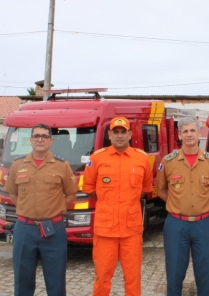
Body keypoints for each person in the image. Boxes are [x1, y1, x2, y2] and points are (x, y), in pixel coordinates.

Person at [155, 116, 209, 296]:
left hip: (204, 224)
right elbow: (161, 189)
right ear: (179, 135)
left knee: (204, 273)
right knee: (174, 273)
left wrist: (208, 202)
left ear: (199, 134)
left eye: (192, 131)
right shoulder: (168, 161)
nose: (189, 135)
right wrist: (176, 202)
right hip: (176, 225)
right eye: (185, 131)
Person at [4, 123, 78, 296]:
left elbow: (71, 195)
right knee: (22, 280)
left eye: (44, 136)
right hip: (24, 229)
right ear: (30, 140)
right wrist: (28, 209)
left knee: (56, 281)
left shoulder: (62, 165)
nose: (40, 139)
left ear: (51, 140)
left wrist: (53, 211)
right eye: (36, 136)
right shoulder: (18, 165)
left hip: (53, 230)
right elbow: (14, 195)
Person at [83, 116, 153, 296]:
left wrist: (128, 201)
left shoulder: (141, 159)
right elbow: (89, 188)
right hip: (106, 230)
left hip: (131, 229)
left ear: (130, 134)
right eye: (116, 132)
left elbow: (145, 188)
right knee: (103, 275)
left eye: (123, 132)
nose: (120, 136)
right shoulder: (97, 158)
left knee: (132, 277)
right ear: (109, 134)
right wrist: (109, 202)